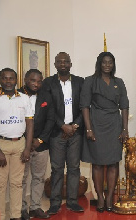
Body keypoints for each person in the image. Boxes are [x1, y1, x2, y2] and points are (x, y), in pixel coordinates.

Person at [80, 51, 129, 212]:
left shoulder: (119, 82)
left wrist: (124, 129)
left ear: (113, 64)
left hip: (114, 125)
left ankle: (110, 198)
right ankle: (100, 197)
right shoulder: (90, 81)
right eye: (104, 62)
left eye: (110, 62)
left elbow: (124, 107)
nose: (107, 65)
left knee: (114, 162)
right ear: (99, 64)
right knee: (98, 163)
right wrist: (88, 129)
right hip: (96, 125)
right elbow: (85, 106)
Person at [42, 52, 85, 215]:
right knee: (57, 168)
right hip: (56, 133)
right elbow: (48, 108)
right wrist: (62, 126)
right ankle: (55, 203)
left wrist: (74, 125)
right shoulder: (48, 83)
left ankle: (73, 202)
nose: (63, 64)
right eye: (59, 62)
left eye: (66, 61)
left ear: (70, 64)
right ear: (55, 65)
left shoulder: (80, 82)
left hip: (75, 132)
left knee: (74, 168)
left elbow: (84, 106)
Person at [19, 69, 55, 220]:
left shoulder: (46, 96)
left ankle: (35, 207)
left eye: (39, 81)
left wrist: (39, 140)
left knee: (39, 177)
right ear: (25, 80)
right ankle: (21, 209)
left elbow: (51, 120)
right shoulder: (16, 96)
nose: (36, 84)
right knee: (21, 178)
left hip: (41, 144)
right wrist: (27, 141)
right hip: (21, 144)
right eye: (33, 80)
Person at [0, 68, 34, 220]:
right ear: (0, 80)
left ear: (16, 80)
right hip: (1, 145)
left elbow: (30, 124)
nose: (8, 81)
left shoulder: (24, 98)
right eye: (5, 78)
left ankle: (15, 216)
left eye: (11, 78)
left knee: (17, 184)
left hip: (20, 144)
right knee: (0, 185)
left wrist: (27, 147)